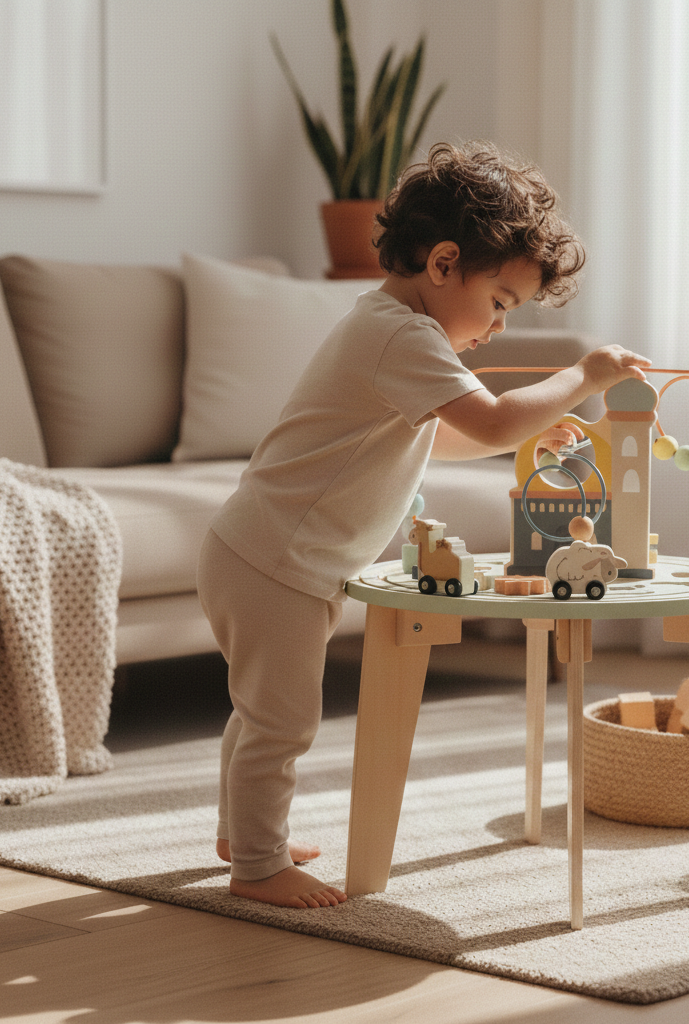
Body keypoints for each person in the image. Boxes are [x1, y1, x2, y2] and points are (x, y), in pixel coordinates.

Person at [197, 141, 650, 909]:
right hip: (276, 562)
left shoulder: (391, 331)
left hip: (260, 553)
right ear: (443, 265)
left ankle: (245, 836)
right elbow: (497, 420)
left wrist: (526, 437)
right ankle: (258, 866)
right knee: (282, 720)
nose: (501, 325)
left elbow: (448, 433)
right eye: (502, 302)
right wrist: (584, 378)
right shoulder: (403, 335)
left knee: (261, 712)